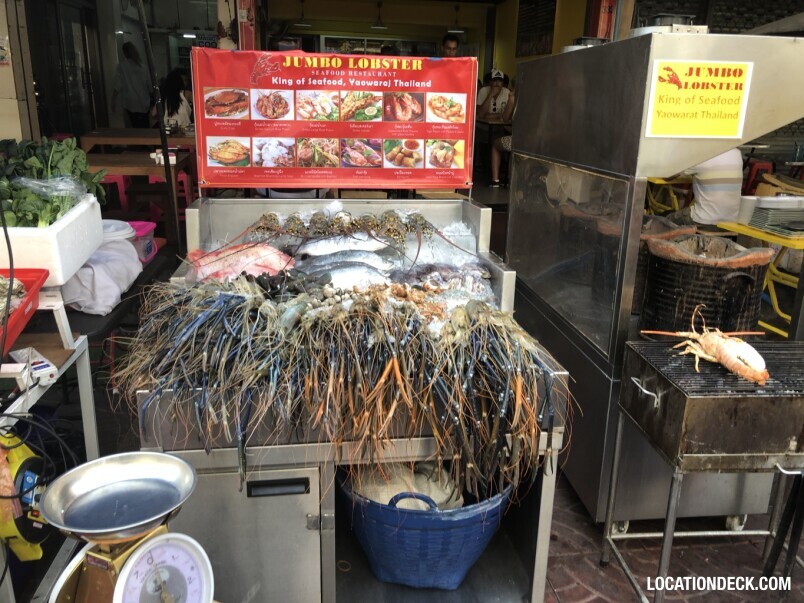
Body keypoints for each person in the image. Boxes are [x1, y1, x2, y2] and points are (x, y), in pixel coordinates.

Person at [665, 149, 743, 227]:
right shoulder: (737, 153)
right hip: (732, 221)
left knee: (665, 221)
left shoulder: (702, 156)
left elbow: (668, 175)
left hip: (703, 220)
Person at [111, 42, 152, 128]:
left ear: (125, 53)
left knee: (132, 129)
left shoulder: (122, 67)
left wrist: (113, 100)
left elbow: (117, 85)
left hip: (129, 104)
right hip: (144, 104)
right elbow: (150, 86)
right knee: (144, 128)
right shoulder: (143, 67)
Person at [489, 88, 516, 187]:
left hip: (519, 141)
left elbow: (505, 117)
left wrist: (511, 97)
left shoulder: (515, 97)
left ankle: (495, 180)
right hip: (538, 142)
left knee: (496, 144)